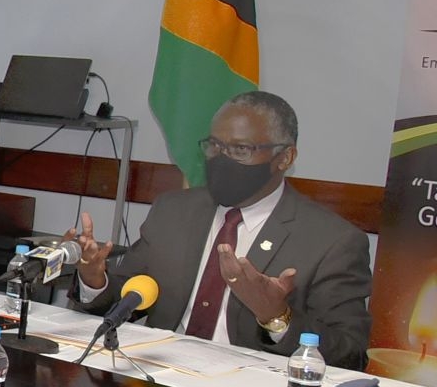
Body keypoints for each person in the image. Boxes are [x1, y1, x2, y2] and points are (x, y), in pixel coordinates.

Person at [69, 90, 371, 369]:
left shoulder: (333, 242)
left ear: (285, 158)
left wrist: (278, 317)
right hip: (159, 376)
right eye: (215, 146)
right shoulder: (174, 211)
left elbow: (350, 355)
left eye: (241, 149)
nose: (222, 158)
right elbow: (128, 299)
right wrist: (95, 279)